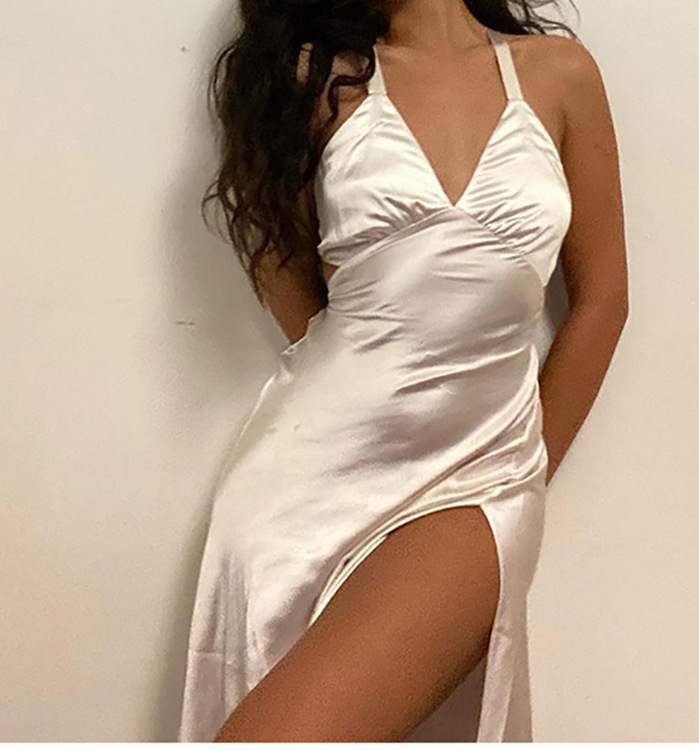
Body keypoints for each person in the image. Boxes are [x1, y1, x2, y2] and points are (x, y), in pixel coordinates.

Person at [179, 0, 628, 742]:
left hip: (483, 479)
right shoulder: (314, 81)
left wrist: (521, 469)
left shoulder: (559, 74)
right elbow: (307, 309)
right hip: (309, 480)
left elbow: (604, 300)